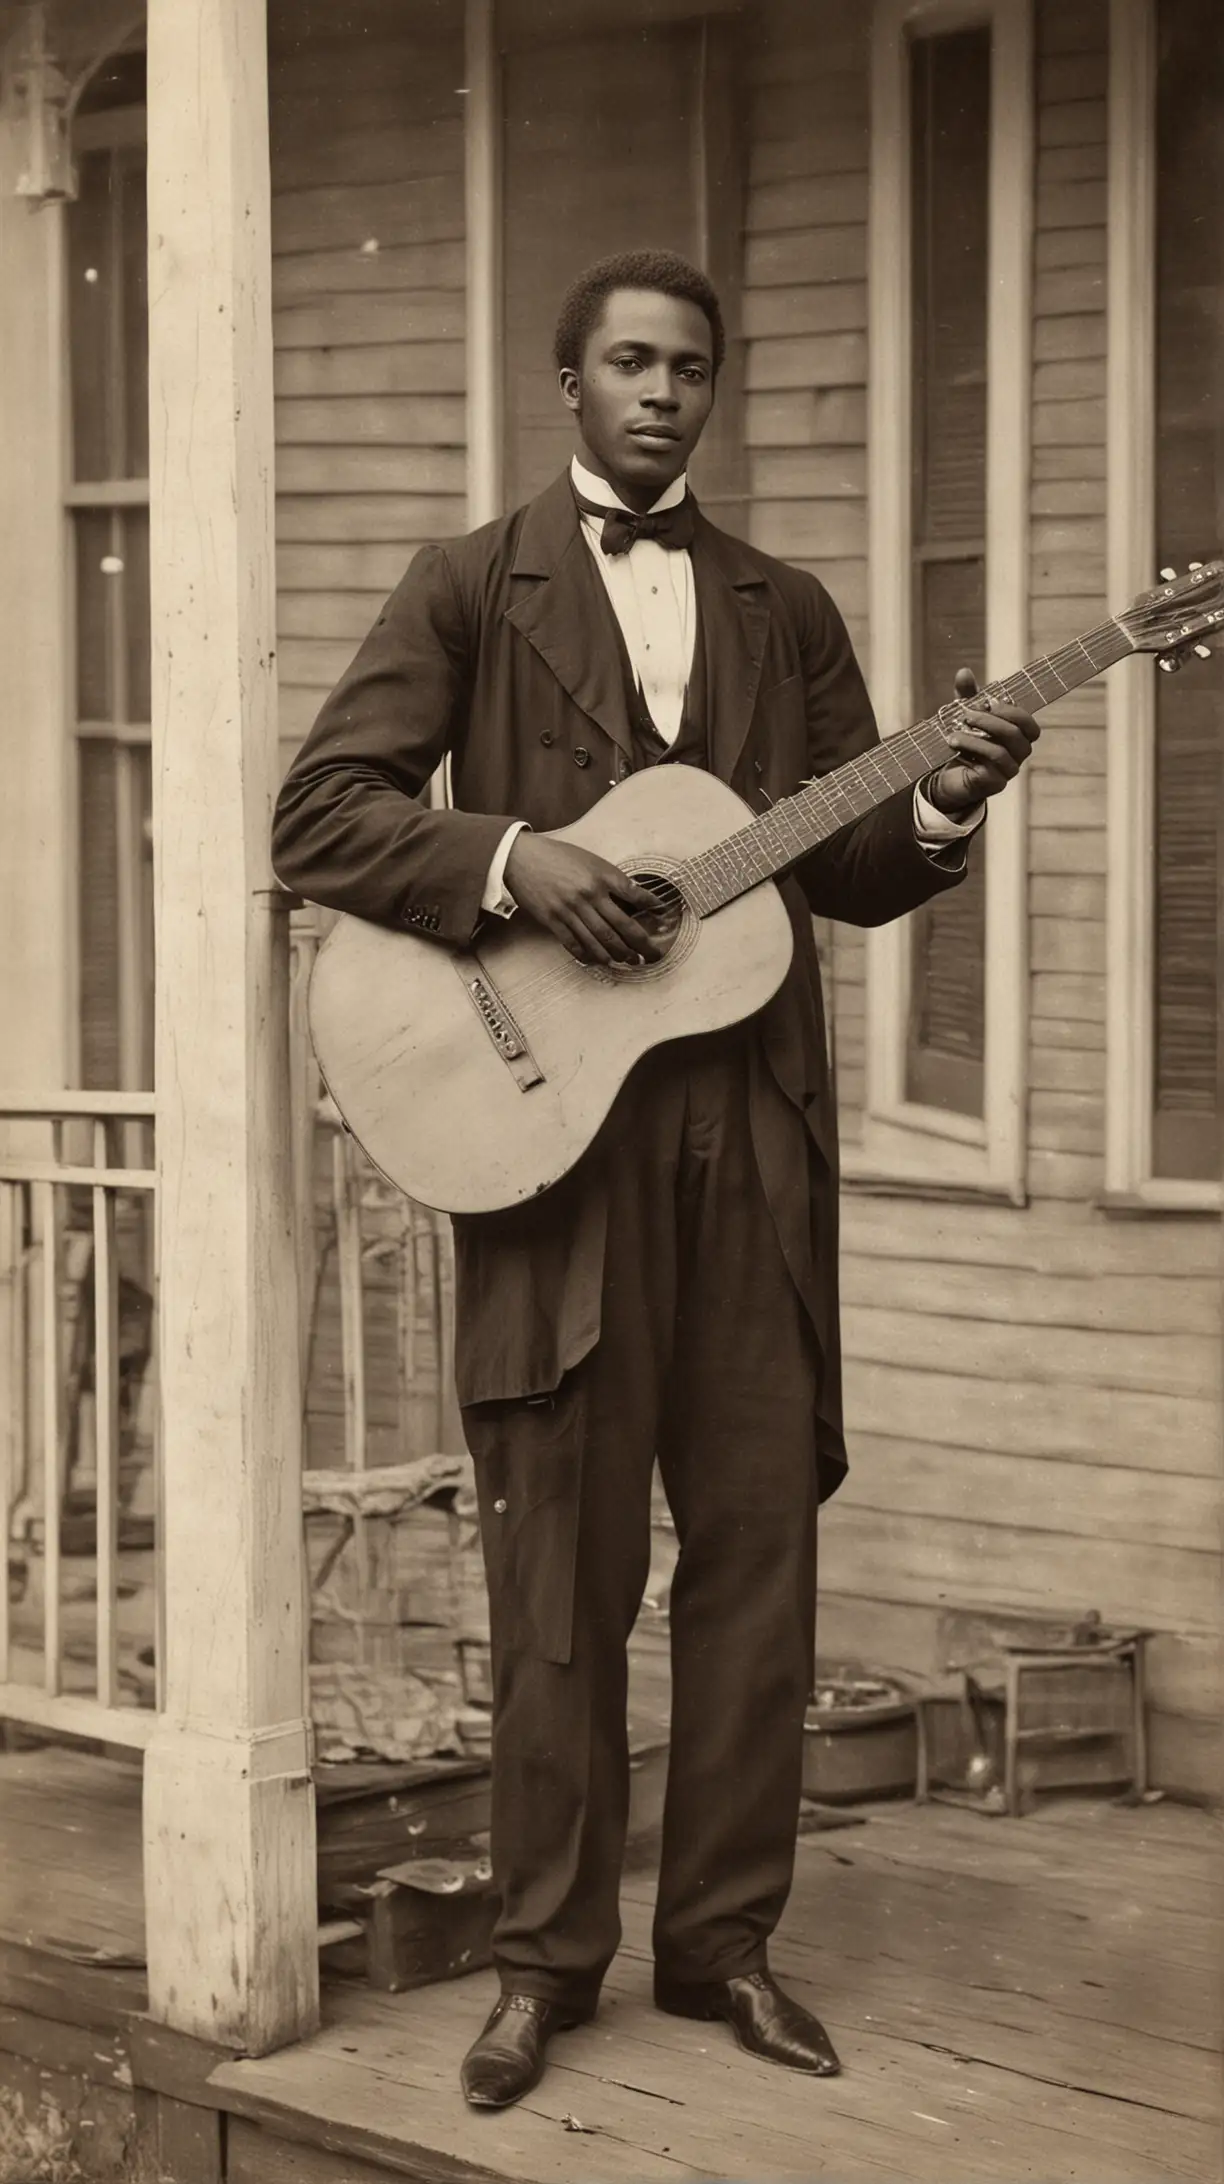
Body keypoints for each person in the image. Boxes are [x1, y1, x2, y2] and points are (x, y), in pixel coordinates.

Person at [272, 249, 1037, 2109]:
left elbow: (833, 874)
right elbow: (320, 814)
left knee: (759, 1565)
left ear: (717, 390)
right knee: (564, 1580)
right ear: (568, 383)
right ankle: (544, 1967)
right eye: (628, 360)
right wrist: (520, 862)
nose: (661, 391)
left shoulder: (785, 606)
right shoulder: (472, 581)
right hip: (559, 1158)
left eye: (691, 366)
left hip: (750, 1154)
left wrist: (942, 801)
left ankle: (723, 1950)